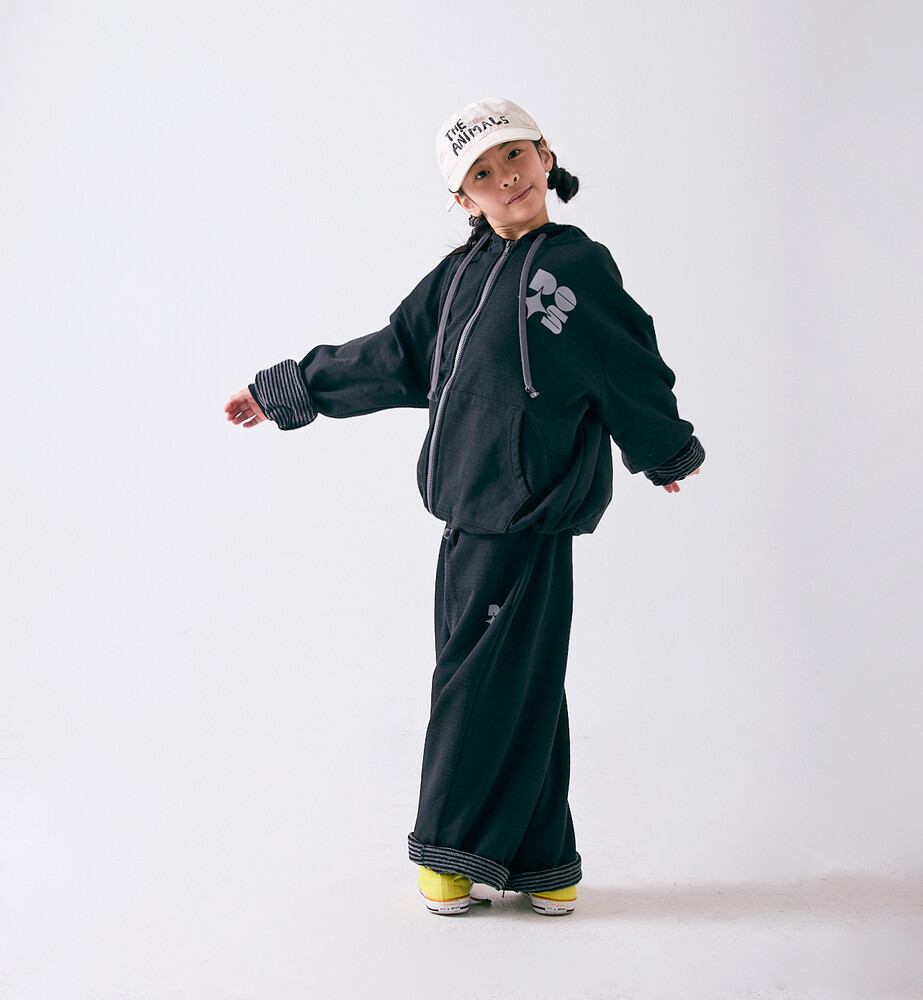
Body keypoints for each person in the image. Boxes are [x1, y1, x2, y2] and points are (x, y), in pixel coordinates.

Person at [224, 97, 704, 917]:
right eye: (481, 172)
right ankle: (544, 865)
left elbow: (627, 359)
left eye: (515, 155)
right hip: (466, 514)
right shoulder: (457, 277)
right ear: (462, 199)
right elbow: (393, 355)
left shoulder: (577, 268)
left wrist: (662, 450)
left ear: (545, 155)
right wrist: (291, 389)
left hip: (528, 515)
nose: (505, 177)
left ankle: (449, 858)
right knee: (522, 682)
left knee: (474, 683)